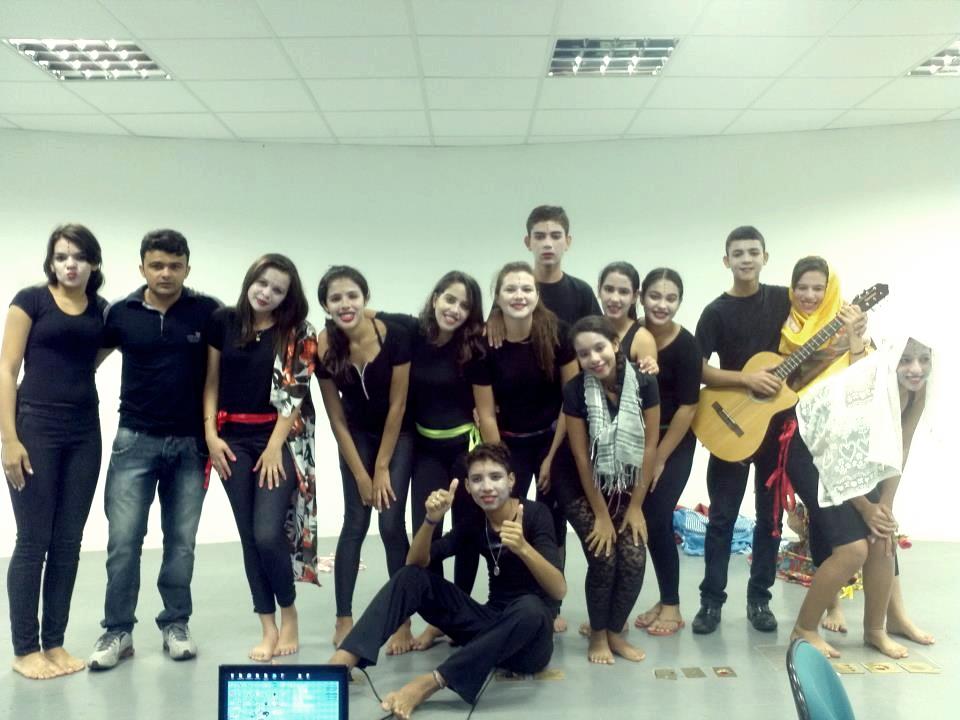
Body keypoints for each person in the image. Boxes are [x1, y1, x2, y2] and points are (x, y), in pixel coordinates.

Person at [328, 443, 565, 720]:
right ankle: (342, 662)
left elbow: (559, 589)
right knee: (411, 578)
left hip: (530, 642)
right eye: (477, 479)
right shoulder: (476, 521)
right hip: (490, 625)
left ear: (511, 480)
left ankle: (430, 683)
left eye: (495, 477)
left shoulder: (535, 515)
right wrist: (430, 521)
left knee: (530, 608)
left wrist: (524, 548)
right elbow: (414, 565)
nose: (487, 487)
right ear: (467, 486)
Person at [86, 230, 220, 671]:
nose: (166, 273)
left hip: (191, 446)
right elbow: (85, 364)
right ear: (142, 267)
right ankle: (118, 630)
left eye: (175, 266)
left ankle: (175, 623)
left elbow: (224, 371)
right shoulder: (121, 313)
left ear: (187, 268)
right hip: (134, 442)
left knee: (181, 543)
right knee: (123, 542)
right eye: (157, 265)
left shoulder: (207, 312)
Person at [1, 224, 107, 679]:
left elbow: (89, 359)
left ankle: (55, 642)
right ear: (51, 261)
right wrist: (9, 439)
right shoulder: (31, 301)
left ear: (93, 264)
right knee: (33, 540)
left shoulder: (101, 310)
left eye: (79, 256)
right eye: (61, 256)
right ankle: (25, 649)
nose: (70, 264)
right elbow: (7, 369)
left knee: (68, 542)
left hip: (84, 430)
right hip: (35, 426)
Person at [203, 254, 317, 662]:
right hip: (231, 440)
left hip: (278, 439)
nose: (266, 293)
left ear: (288, 296)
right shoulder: (224, 321)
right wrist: (211, 436)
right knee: (249, 537)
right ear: (250, 280)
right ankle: (267, 626)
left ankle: (289, 612)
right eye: (262, 283)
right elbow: (211, 381)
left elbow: (295, 395)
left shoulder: (299, 332)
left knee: (268, 533)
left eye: (278, 289)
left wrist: (273, 447)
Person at [794, 335, 934, 658]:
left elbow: (900, 448)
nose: (916, 369)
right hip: (811, 451)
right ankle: (803, 629)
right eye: (906, 360)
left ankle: (876, 630)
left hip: (854, 457)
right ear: (892, 358)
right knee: (853, 550)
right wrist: (866, 508)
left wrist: (884, 506)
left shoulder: (918, 389)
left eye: (924, 360)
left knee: (883, 538)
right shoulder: (869, 388)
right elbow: (835, 450)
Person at [378, 271, 496, 648]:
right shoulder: (412, 333)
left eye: (464, 305)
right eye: (450, 299)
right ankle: (438, 618)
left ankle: (458, 616)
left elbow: (485, 410)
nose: (455, 309)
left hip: (464, 450)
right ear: (435, 299)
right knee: (426, 530)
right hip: (427, 452)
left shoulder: (473, 348)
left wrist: (496, 461)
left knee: (465, 534)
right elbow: (363, 313)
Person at [691, 225, 792, 635]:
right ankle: (710, 602)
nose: (746, 259)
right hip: (730, 424)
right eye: (738, 253)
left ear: (765, 257)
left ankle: (759, 599)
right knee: (721, 518)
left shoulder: (785, 300)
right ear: (726, 260)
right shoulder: (716, 312)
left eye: (753, 252)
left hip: (776, 426)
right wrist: (746, 380)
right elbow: (698, 368)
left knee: (771, 519)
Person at [473, 262, 579, 631]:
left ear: (537, 295)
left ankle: (551, 605)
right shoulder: (485, 343)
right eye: (510, 289)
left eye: (526, 289)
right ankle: (509, 598)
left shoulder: (558, 334)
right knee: (507, 518)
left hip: (553, 438)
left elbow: (570, 401)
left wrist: (551, 457)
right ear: (498, 297)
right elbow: (486, 414)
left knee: (553, 520)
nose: (519, 296)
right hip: (509, 443)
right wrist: (501, 464)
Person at [315, 266, 415, 653]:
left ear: (365, 298)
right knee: (355, 522)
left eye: (352, 296)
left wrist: (382, 468)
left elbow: (398, 405)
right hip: (355, 434)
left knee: (391, 524)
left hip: (397, 434)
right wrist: (360, 473)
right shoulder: (323, 346)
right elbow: (336, 417)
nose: (345, 304)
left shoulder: (395, 336)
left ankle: (402, 620)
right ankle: (343, 618)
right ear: (326, 305)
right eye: (336, 298)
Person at [562, 315, 660, 664]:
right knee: (603, 557)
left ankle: (614, 632)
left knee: (634, 557)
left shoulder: (645, 382)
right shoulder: (575, 390)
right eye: (583, 353)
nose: (594, 358)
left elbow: (649, 446)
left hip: (625, 486)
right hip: (579, 484)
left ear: (616, 344)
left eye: (599, 347)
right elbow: (580, 457)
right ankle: (597, 635)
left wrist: (636, 507)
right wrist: (601, 516)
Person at [628, 269, 702, 637]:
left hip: (673, 441)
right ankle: (660, 600)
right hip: (633, 441)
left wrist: (658, 457)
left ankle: (671, 604)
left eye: (671, 298)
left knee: (657, 517)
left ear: (679, 302)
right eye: (655, 296)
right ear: (642, 297)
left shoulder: (686, 345)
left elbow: (689, 408)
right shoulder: (631, 335)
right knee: (637, 522)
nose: (662, 304)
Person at [597, 261, 657, 364]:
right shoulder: (586, 330)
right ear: (599, 290)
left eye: (623, 292)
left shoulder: (643, 340)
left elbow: (647, 375)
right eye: (609, 289)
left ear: (635, 296)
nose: (615, 299)